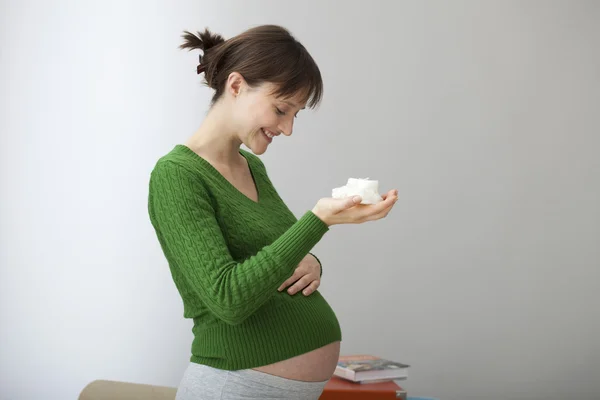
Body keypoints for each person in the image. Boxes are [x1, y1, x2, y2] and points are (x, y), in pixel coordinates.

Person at [147, 24, 398, 400]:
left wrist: (312, 260)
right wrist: (318, 223)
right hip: (234, 387)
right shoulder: (176, 176)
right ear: (236, 86)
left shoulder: (252, 167)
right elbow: (228, 298)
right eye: (281, 110)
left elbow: (276, 256)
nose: (288, 128)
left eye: (295, 114)